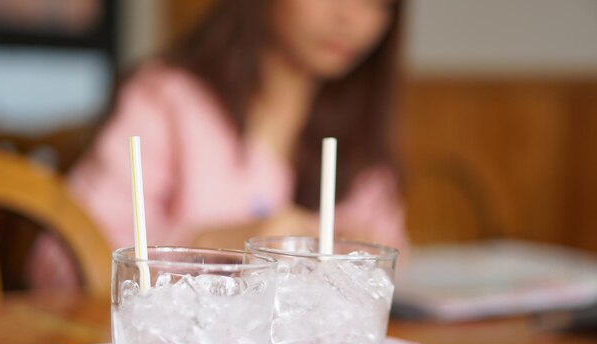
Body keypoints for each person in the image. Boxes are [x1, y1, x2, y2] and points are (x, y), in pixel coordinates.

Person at [29, 0, 408, 288]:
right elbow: (58, 261)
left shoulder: (361, 132)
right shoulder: (167, 100)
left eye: (378, 2)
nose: (352, 18)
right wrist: (211, 247)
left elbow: (393, 261)